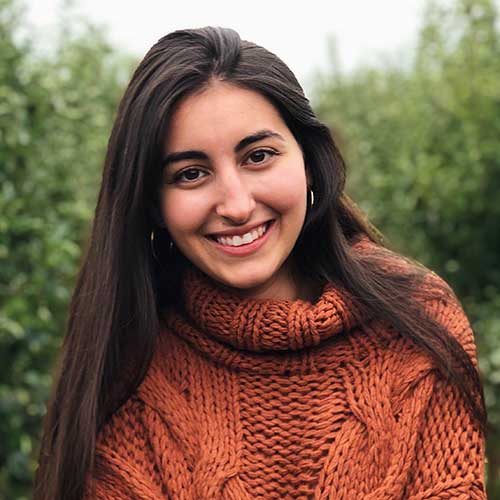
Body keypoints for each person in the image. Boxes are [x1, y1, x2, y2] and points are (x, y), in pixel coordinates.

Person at [34, 26, 488, 499]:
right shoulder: (124, 374)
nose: (236, 205)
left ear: (309, 160)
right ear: (153, 204)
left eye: (258, 156)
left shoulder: (416, 321)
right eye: (191, 174)